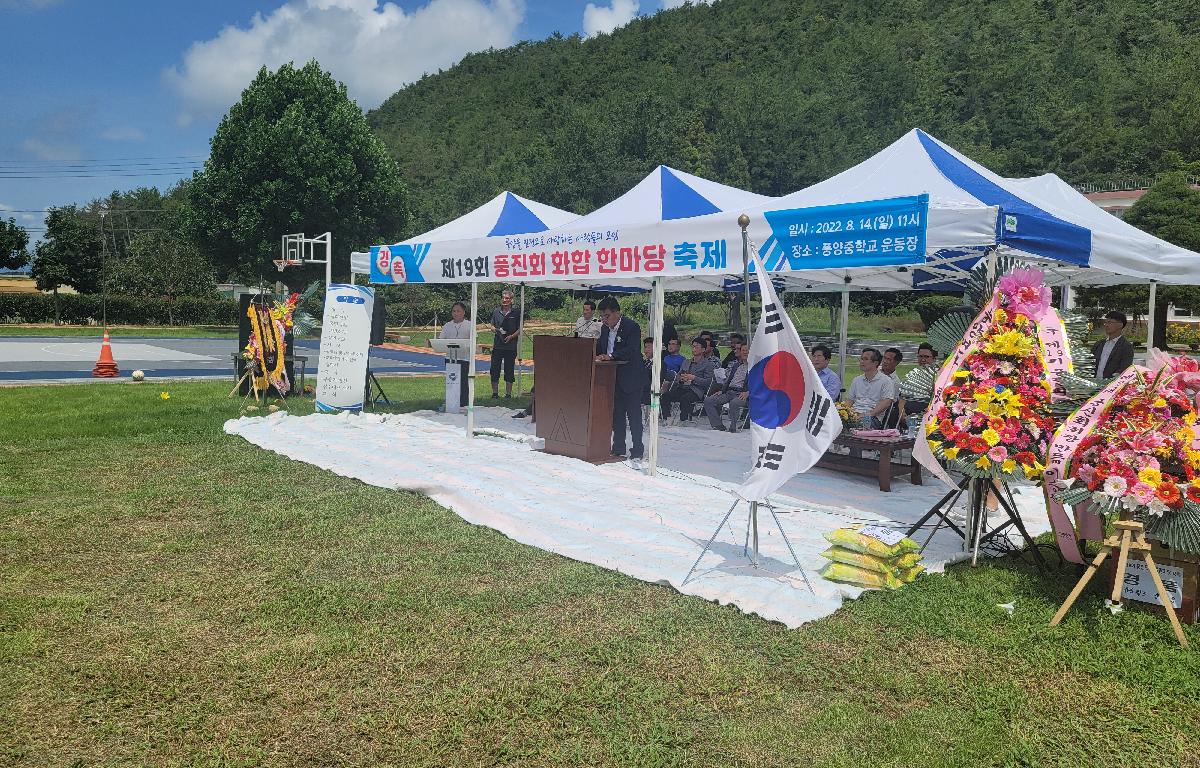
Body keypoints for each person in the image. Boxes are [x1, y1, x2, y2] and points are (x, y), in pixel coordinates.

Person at [595, 296, 645, 461]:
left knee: (634, 416)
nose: (604, 319)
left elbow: (631, 350)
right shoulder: (604, 329)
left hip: (631, 378)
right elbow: (600, 348)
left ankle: (637, 449)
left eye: (607, 316)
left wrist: (611, 356)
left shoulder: (631, 327)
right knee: (617, 415)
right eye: (602, 316)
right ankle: (618, 447)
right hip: (612, 377)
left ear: (617, 313)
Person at [661, 339, 716, 424]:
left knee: (685, 398)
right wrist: (681, 378)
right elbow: (678, 375)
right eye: (693, 347)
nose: (694, 349)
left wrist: (694, 378)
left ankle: (684, 420)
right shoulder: (686, 362)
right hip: (683, 386)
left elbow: (709, 382)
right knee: (665, 396)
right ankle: (666, 418)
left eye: (696, 347)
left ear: (703, 349)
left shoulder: (708, 364)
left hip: (697, 390)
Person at [845, 347, 898, 429]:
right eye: (861, 359)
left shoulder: (886, 381)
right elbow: (850, 400)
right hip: (853, 414)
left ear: (875, 363)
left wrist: (867, 414)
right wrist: (844, 413)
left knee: (858, 424)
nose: (862, 362)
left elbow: (886, 402)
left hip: (872, 417)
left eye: (865, 359)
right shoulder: (856, 380)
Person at [704, 342, 749, 432]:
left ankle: (733, 427)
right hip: (729, 392)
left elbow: (759, 384)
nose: (745, 352)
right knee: (708, 400)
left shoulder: (755, 367)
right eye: (743, 350)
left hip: (742, 393)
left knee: (734, 403)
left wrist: (749, 392)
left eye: (747, 350)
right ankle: (717, 425)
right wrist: (722, 391)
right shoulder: (736, 365)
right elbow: (728, 380)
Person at [489, 289, 520, 399]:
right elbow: (491, 325)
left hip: (510, 346)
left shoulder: (517, 312)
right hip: (498, 345)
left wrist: (511, 336)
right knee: (494, 369)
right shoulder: (496, 311)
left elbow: (520, 329)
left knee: (509, 370)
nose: (504, 300)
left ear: (511, 300)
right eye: (503, 298)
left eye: (507, 298)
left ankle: (508, 394)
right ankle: (495, 394)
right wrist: (495, 330)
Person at [1092, 310, 1134, 380]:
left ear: (1120, 325)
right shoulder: (1099, 344)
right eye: (1105, 322)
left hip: (1111, 387)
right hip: (1093, 385)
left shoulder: (1126, 347)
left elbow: (1123, 370)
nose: (1106, 325)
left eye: (1110, 322)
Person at [901, 343, 938, 419]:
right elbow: (902, 398)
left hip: (927, 414)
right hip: (907, 414)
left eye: (926, 357)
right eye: (920, 356)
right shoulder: (912, 376)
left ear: (934, 359)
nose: (923, 359)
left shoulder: (939, 377)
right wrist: (901, 412)